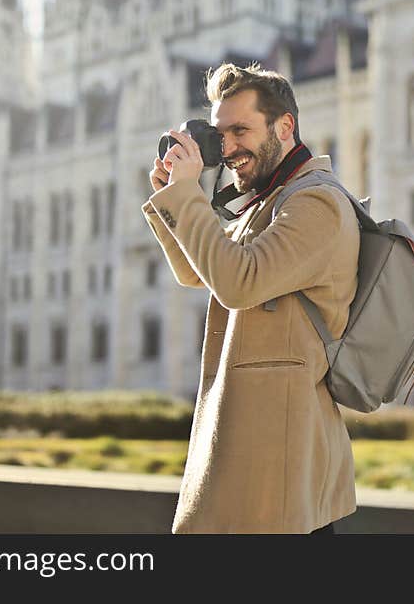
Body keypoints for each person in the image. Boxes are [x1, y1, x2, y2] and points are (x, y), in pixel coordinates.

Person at [141, 63, 359, 534]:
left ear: (285, 127)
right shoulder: (270, 203)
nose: (229, 148)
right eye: (221, 135)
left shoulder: (316, 203)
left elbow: (238, 282)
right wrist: (172, 198)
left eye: (241, 130)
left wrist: (187, 196)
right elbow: (198, 273)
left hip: (283, 465)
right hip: (255, 450)